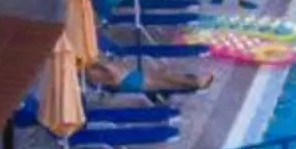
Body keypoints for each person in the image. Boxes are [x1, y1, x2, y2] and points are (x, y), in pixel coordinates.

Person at [81, 54, 213, 95]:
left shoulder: (92, 71)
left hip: (128, 79)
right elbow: (113, 77)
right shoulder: (93, 73)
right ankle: (194, 83)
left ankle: (194, 83)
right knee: (163, 79)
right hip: (128, 81)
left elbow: (113, 73)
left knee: (164, 79)